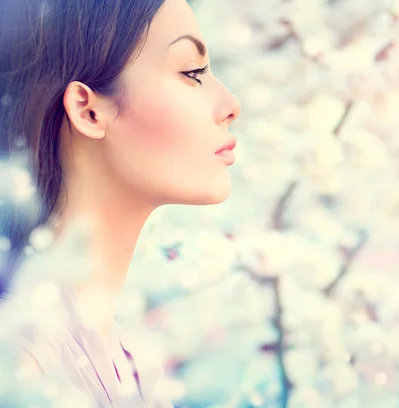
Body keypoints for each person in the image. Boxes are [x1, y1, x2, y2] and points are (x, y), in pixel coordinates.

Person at [0, 0, 241, 405]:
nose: (231, 104)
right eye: (192, 72)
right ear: (88, 110)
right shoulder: (20, 363)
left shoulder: (131, 361)